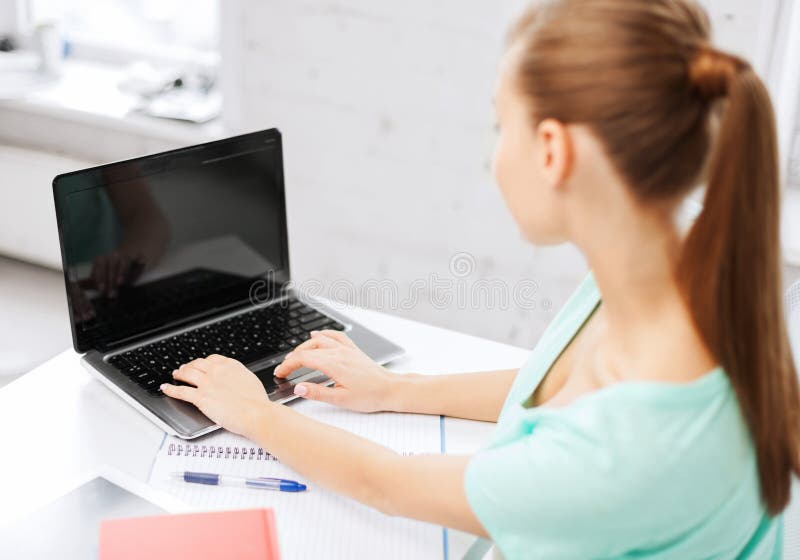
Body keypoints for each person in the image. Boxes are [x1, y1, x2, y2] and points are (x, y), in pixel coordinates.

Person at [160, 0, 800, 557]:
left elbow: (386, 484)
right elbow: (551, 388)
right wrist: (397, 390)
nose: (495, 154)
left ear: (552, 150)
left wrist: (254, 414)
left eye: (502, 127)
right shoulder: (684, 257)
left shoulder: (620, 454)